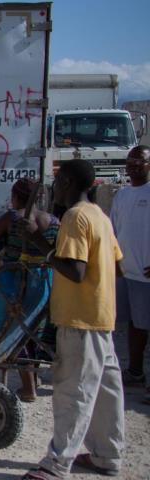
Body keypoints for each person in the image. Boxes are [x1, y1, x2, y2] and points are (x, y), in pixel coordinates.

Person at [12, 159, 125, 480]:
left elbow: (75, 270)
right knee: (105, 391)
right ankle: (107, 454)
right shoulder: (99, 216)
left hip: (79, 318)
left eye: (58, 181)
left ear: (70, 183)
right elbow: (117, 267)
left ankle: (57, 463)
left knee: (72, 392)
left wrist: (39, 242)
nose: (55, 188)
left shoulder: (75, 217)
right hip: (101, 315)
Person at [0, 178, 60, 402]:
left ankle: (28, 388)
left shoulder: (14, 218)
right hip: (45, 282)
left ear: (15, 197)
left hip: (18, 282)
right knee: (36, 330)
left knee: (18, 332)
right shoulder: (54, 221)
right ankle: (34, 378)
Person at [111, 145, 150, 404]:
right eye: (131, 161)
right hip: (125, 273)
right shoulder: (122, 195)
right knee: (133, 326)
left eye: (140, 162)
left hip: (146, 276)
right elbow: (113, 232)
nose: (134, 166)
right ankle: (135, 372)